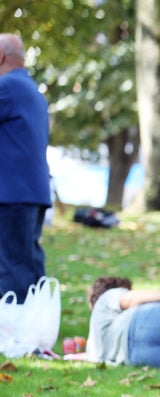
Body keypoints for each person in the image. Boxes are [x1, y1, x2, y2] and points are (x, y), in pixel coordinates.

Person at [0, 33, 50, 303]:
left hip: (11, 195)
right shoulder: (32, 90)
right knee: (29, 265)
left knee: (11, 268)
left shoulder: (6, 87)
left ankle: (17, 334)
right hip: (32, 192)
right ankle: (36, 328)